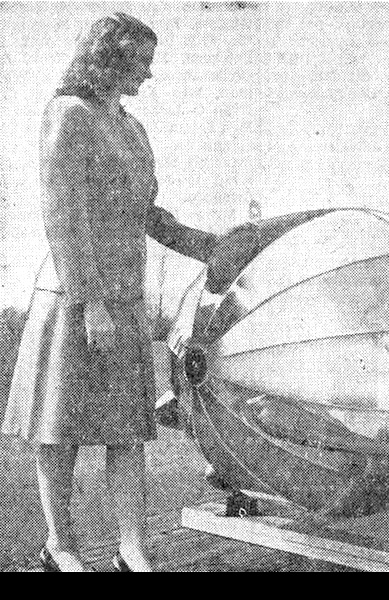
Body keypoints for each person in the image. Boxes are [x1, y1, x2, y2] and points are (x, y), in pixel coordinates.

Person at [1, 13, 219, 572]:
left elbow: (145, 214)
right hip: (74, 295)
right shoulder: (68, 114)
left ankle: (131, 548)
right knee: (59, 429)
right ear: (109, 59)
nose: (148, 73)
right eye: (140, 61)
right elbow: (62, 216)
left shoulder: (131, 127)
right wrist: (90, 302)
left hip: (123, 297)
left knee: (126, 433)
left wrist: (209, 246)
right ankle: (60, 546)